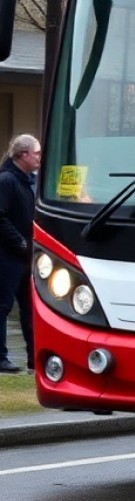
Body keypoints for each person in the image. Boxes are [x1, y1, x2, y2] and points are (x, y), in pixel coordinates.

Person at [0, 134, 39, 373]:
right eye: (36, 153)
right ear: (23, 155)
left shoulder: (27, 181)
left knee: (29, 307)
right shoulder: (7, 180)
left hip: (26, 256)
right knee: (3, 306)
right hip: (8, 255)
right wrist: (20, 242)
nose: (39, 157)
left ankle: (35, 358)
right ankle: (1, 358)